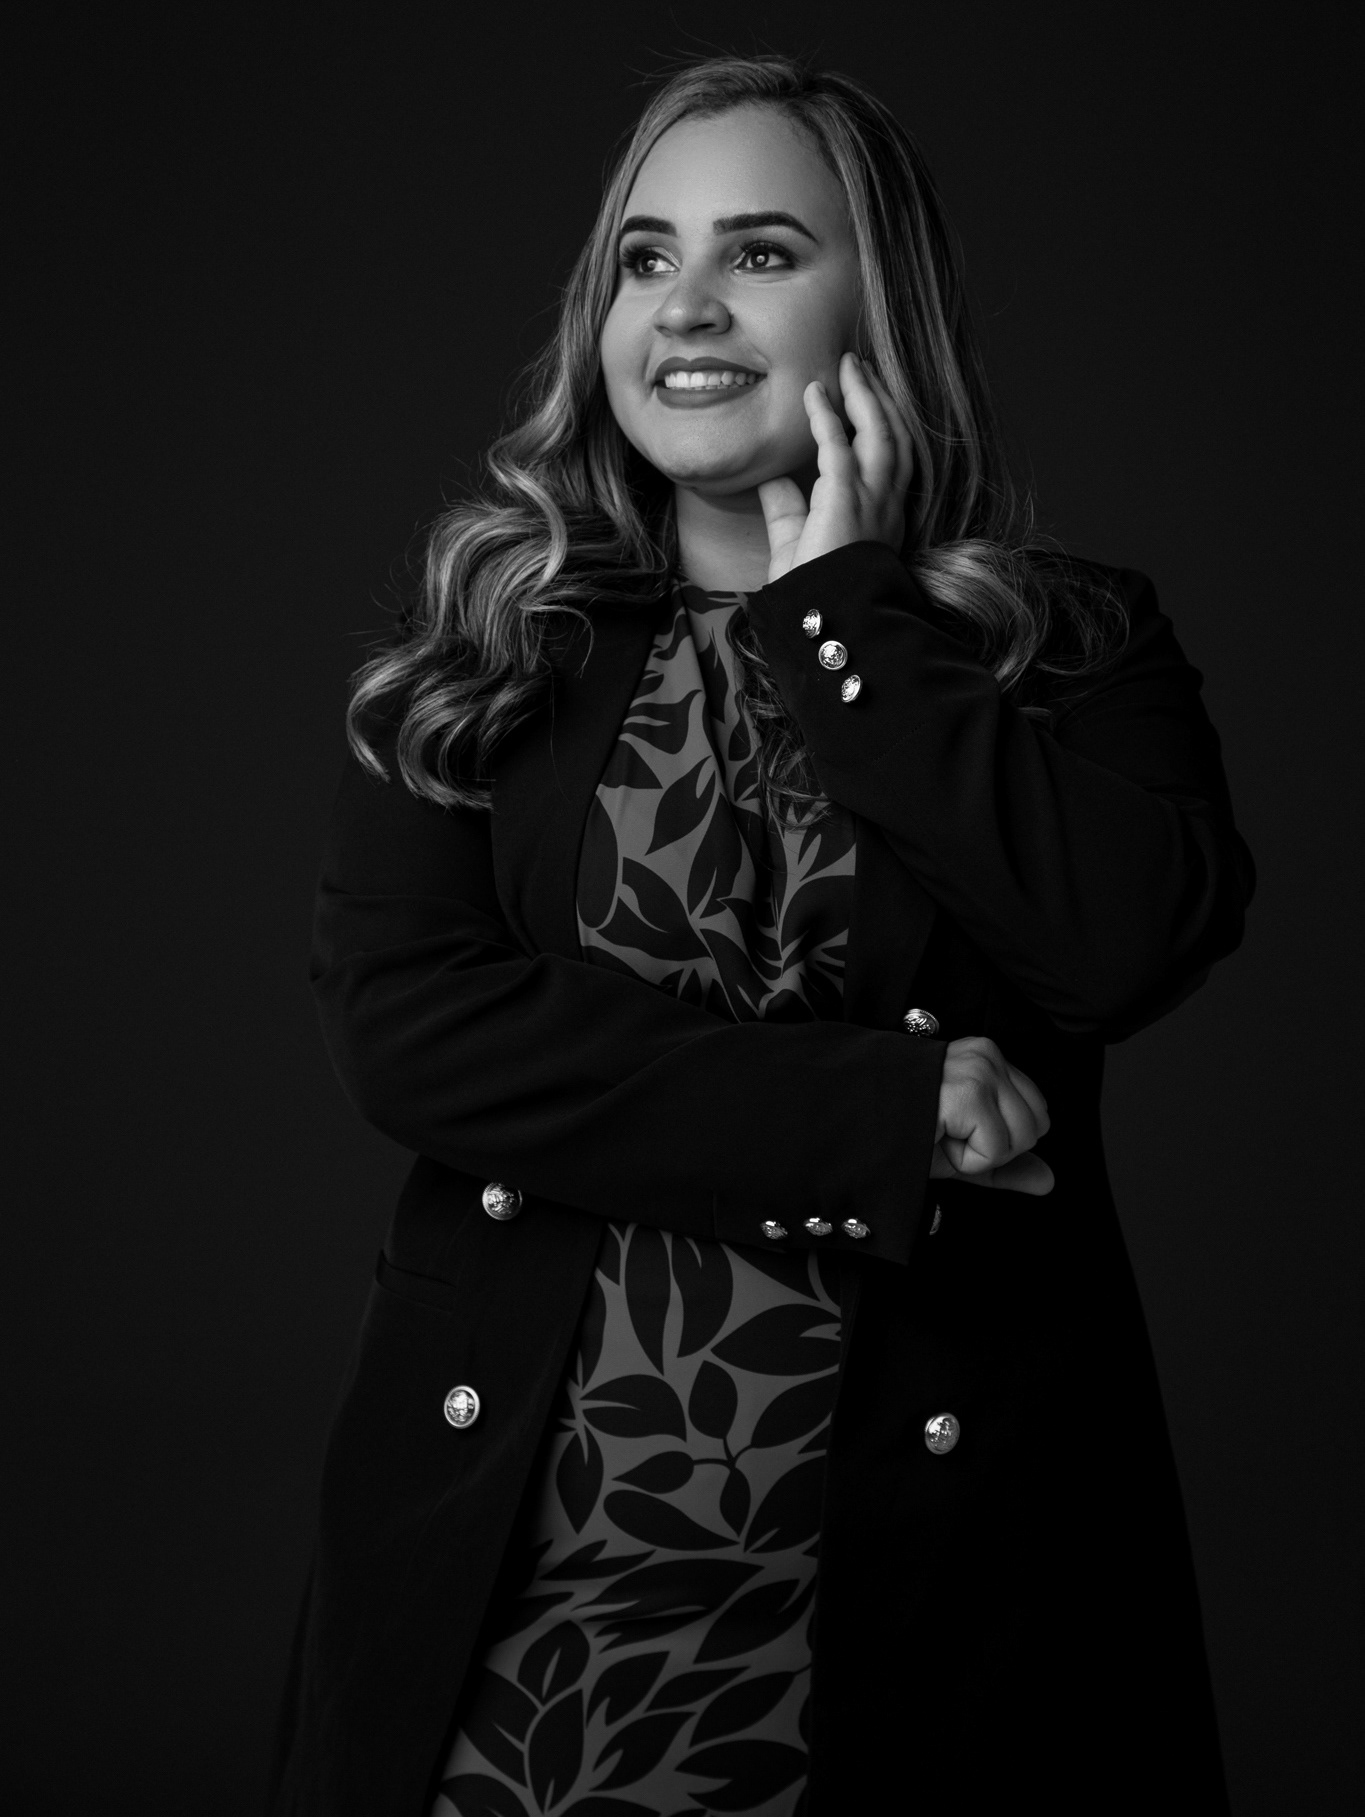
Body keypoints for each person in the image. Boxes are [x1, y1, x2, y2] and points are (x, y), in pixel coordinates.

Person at [270, 52, 1252, 1817]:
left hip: (933, 1582)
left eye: (763, 252)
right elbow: (412, 1032)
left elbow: (1125, 946)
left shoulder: (1062, 644)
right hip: (534, 1583)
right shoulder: (490, 642)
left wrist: (842, 623)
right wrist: (878, 1115)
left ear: (882, 300)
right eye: (644, 259)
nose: (687, 306)